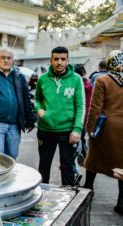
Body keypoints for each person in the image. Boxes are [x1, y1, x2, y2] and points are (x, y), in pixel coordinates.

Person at [34, 46, 85, 186]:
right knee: (43, 167)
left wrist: (77, 129)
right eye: (56, 59)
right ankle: (41, 198)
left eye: (63, 59)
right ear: (51, 61)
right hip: (46, 130)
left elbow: (81, 105)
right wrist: (38, 109)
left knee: (67, 167)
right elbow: (37, 98)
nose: (59, 62)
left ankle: (68, 199)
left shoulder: (76, 79)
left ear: (68, 61)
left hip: (67, 131)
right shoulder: (43, 79)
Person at [83, 50, 123, 215]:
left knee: (93, 159)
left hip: (105, 128)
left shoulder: (103, 80)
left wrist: (90, 129)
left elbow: (95, 107)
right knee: (122, 165)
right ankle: (121, 202)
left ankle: (88, 189)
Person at [74, 64, 92, 167]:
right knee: (82, 137)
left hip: (78, 115)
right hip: (86, 115)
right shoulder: (88, 83)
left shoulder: (76, 84)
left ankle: (78, 154)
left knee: (77, 138)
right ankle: (84, 154)